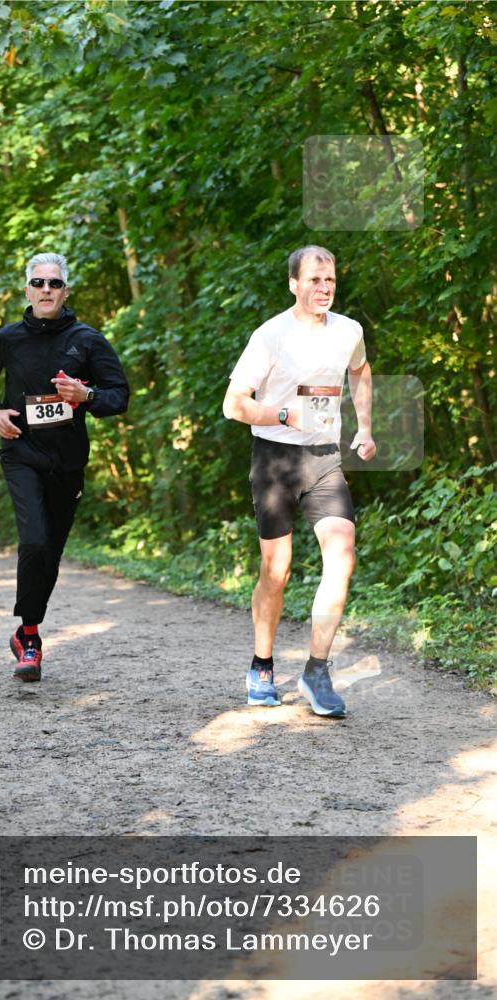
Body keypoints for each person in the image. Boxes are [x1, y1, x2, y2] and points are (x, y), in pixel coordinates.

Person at [223, 245, 376, 718]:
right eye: (313, 280)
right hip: (274, 459)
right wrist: (283, 412)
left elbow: (360, 370)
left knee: (342, 551)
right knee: (277, 571)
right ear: (294, 283)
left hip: (324, 458)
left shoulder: (349, 330)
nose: (323, 289)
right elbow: (234, 405)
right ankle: (262, 664)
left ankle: (316, 669)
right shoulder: (271, 335)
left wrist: (365, 427)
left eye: (329, 281)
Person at [0, 252, 129, 682]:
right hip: (21, 453)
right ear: (26, 290)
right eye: (38, 283)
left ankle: (23, 632)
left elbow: (119, 395)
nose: (45, 290)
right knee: (35, 542)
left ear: (65, 291)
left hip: (68, 462)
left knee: (51, 554)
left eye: (54, 284)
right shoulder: (8, 338)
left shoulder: (87, 340)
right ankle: (33, 639)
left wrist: (86, 396)